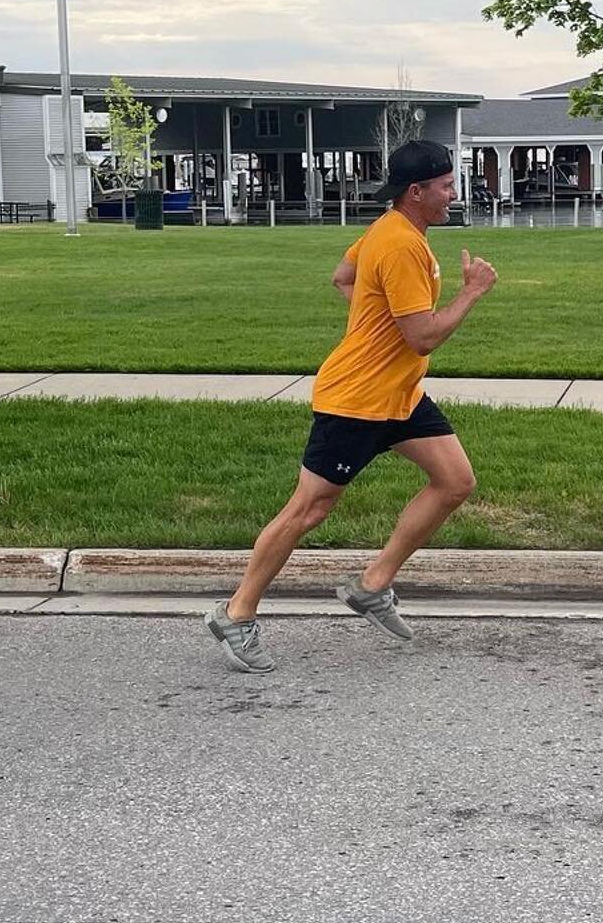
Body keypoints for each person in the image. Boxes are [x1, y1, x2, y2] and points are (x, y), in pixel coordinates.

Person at [205, 139, 498, 673]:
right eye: (447, 185)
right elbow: (424, 339)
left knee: (455, 481)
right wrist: (471, 292)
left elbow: (343, 278)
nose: (454, 194)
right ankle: (235, 613)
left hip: (400, 397)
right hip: (358, 400)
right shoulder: (401, 245)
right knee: (308, 510)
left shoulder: (388, 230)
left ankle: (372, 585)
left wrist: (377, 318)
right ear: (418, 191)